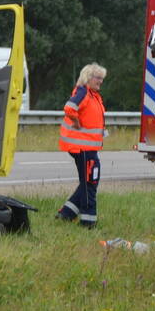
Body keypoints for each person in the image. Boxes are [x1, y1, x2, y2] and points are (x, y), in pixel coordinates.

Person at [56, 63, 107, 228]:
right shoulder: (83, 92)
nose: (101, 81)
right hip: (83, 148)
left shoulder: (93, 95)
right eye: (98, 78)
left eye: (102, 78)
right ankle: (88, 221)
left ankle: (66, 213)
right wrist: (76, 121)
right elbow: (69, 108)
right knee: (89, 183)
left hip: (89, 148)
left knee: (89, 182)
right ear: (88, 78)